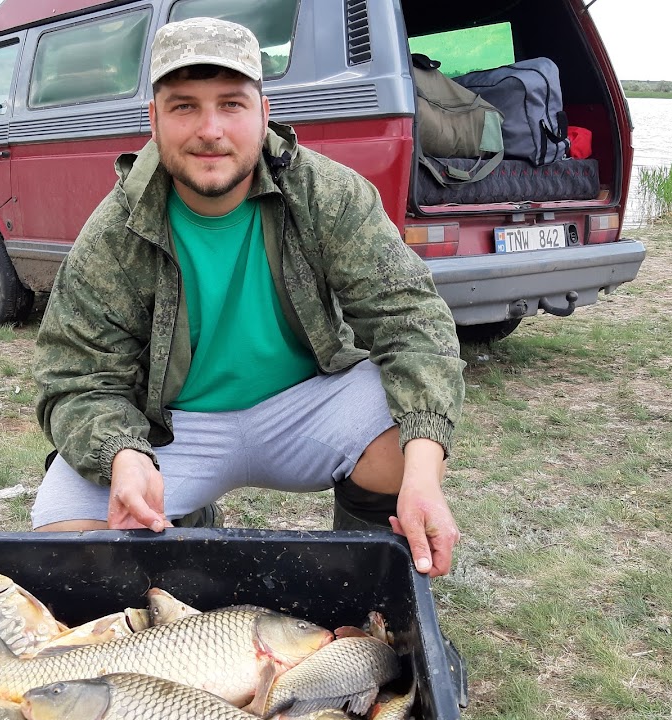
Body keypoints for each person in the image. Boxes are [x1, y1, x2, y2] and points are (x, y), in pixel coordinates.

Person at [32, 17, 466, 577]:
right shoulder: (114, 230)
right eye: (184, 106)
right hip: (173, 427)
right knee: (62, 535)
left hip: (304, 405)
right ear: (154, 121)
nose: (210, 129)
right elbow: (76, 376)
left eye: (232, 104)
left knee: (405, 438)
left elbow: (412, 323)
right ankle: (183, 526)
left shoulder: (326, 193)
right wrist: (123, 453)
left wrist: (425, 478)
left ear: (264, 114)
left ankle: (368, 579)